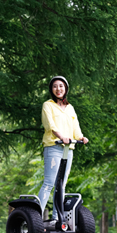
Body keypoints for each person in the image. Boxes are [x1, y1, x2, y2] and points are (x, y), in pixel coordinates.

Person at [38, 76, 89, 222]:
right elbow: (50, 125)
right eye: (55, 86)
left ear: (65, 88)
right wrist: (61, 136)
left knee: (61, 185)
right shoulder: (48, 105)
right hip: (54, 146)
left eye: (61, 86)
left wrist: (81, 137)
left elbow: (75, 128)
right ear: (51, 89)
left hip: (68, 149)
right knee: (49, 182)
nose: (58, 89)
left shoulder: (70, 108)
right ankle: (36, 217)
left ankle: (56, 218)